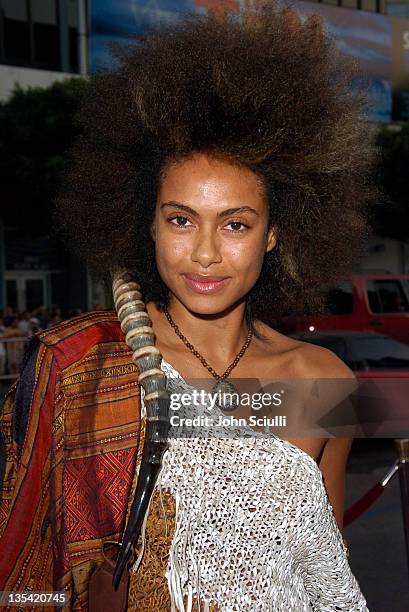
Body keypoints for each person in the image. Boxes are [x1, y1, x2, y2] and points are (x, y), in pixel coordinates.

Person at [0, 4, 373, 610]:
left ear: (274, 233)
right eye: (180, 219)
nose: (204, 254)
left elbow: (325, 574)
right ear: (146, 225)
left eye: (235, 224)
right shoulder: (88, 369)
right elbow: (30, 573)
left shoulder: (325, 382)